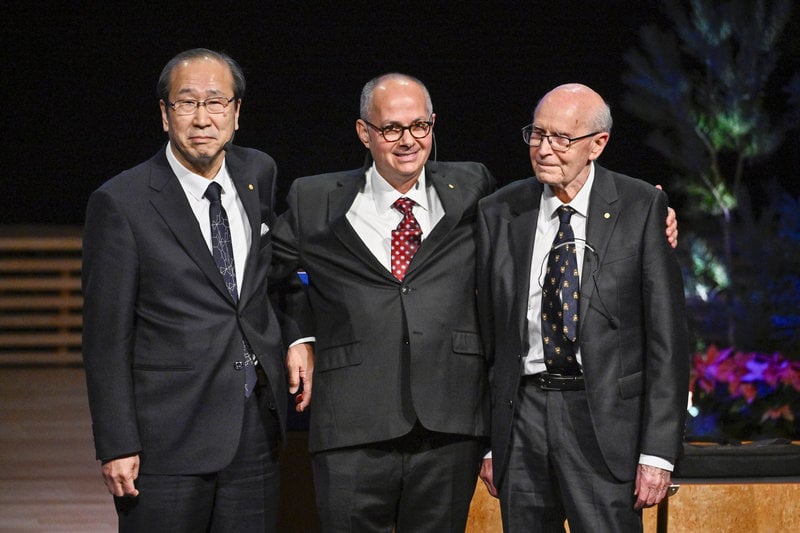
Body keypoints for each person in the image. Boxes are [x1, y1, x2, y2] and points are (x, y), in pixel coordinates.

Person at [81, 48, 312, 532]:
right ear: (164, 115)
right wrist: (117, 442)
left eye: (216, 102)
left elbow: (271, 277)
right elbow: (106, 338)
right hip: (167, 437)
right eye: (187, 103)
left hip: (255, 427)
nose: (203, 118)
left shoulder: (257, 174)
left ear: (236, 113)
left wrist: (297, 336)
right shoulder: (122, 202)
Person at [270, 73, 494, 531]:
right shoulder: (315, 198)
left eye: (420, 127)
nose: (408, 141)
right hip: (350, 424)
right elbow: (269, 275)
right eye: (392, 128)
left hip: (449, 422)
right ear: (364, 132)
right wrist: (299, 334)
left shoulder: (473, 186)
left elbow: (535, 221)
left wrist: (639, 212)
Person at [476, 83, 689, 532]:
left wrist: (658, 451)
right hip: (523, 420)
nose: (544, 149)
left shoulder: (641, 207)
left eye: (561, 139)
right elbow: (486, 335)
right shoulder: (499, 211)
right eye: (537, 134)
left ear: (598, 144)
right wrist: (491, 441)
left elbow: (668, 342)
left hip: (606, 422)